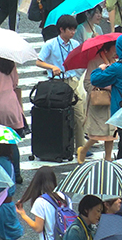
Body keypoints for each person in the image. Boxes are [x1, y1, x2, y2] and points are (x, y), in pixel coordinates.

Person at [36, 15, 86, 155]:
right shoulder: (50, 44)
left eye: (74, 29)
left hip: (72, 81)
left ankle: (80, 148)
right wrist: (52, 67)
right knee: (57, 115)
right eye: (70, 29)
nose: (73, 32)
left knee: (79, 114)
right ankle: (59, 146)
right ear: (61, 29)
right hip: (56, 84)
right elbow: (39, 61)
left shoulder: (75, 44)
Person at [80, 40, 118, 163]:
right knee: (97, 133)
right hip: (98, 103)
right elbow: (87, 83)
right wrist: (104, 86)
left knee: (111, 132)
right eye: (114, 49)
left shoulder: (114, 62)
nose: (116, 52)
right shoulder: (95, 62)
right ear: (106, 49)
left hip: (111, 102)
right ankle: (84, 149)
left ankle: (108, 158)